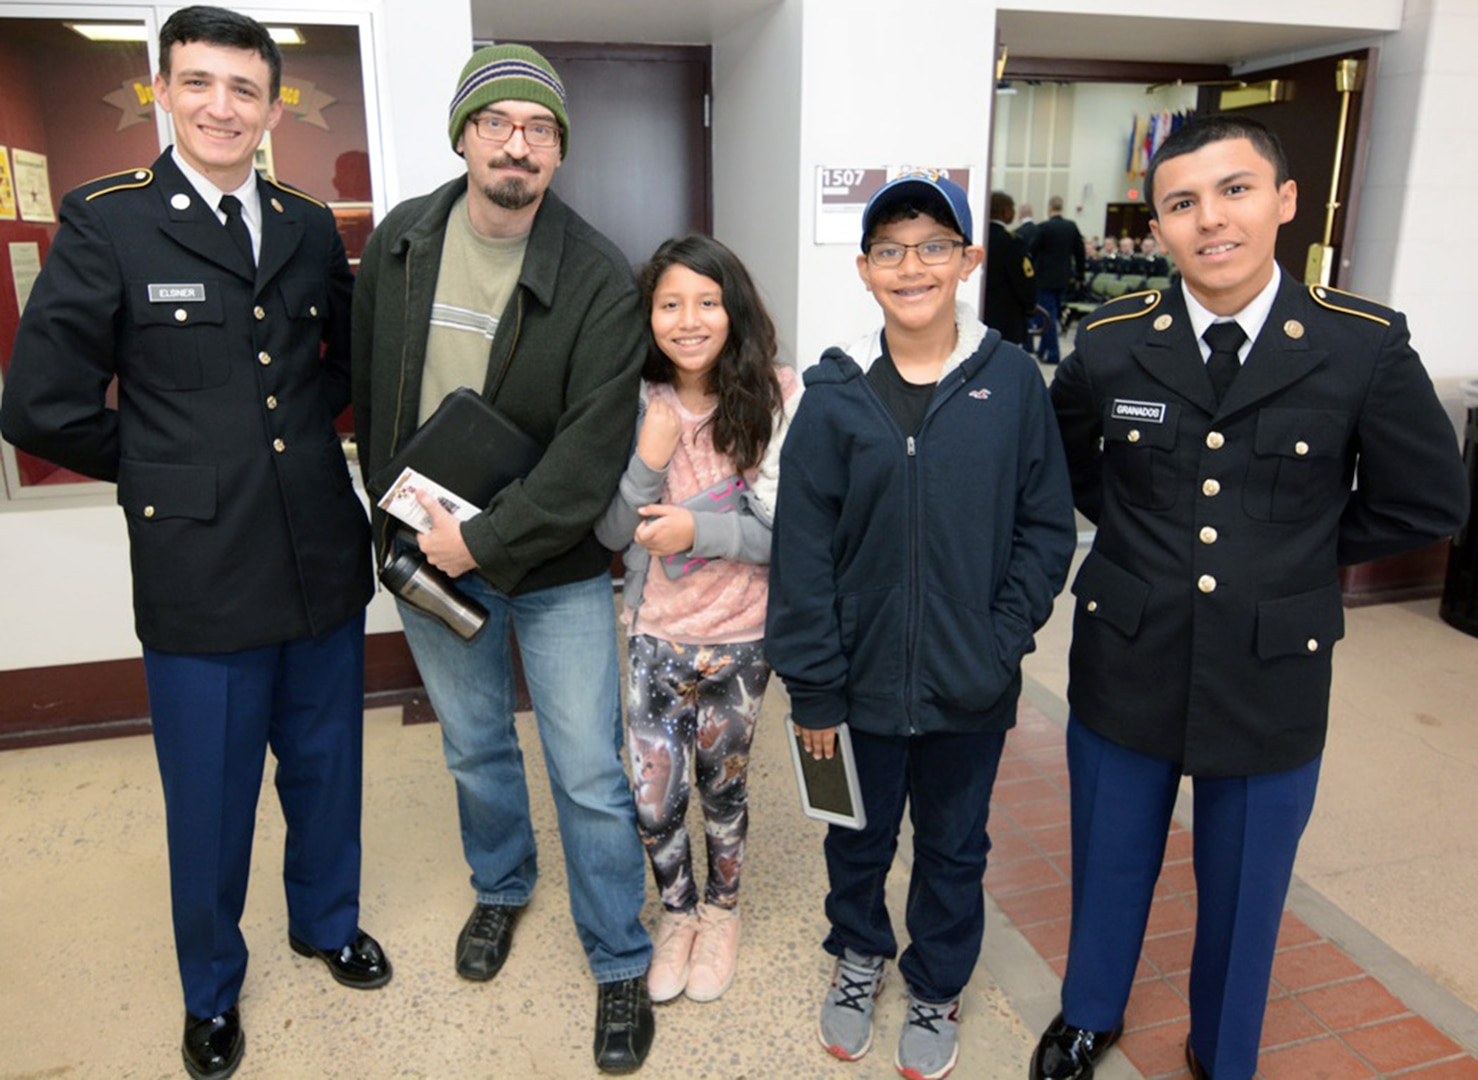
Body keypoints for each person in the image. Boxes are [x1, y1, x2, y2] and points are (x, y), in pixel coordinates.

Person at [1030, 114, 1469, 1080]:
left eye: (1234, 192)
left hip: (1272, 667)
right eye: (1182, 203)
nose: (1210, 221)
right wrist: (1150, 543)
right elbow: (1063, 466)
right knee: (1108, 856)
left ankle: (1222, 1046)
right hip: (1127, 652)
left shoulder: (1362, 346)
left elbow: (1430, 499)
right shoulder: (1109, 343)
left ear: (1284, 203)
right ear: (1158, 227)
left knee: (1246, 883)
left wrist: (1300, 554)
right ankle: (1088, 1014)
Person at [0, 8, 389, 1079]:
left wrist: (301, 446)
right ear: (164, 93)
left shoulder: (309, 223)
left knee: (325, 772)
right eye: (200, 83)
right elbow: (38, 404)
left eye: (244, 89)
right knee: (210, 800)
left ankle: (325, 922)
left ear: (270, 108)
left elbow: (341, 363)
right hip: (199, 574)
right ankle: (211, 988)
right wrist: (167, 467)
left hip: (317, 553)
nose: (223, 106)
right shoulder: (108, 220)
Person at [349, 44, 655, 1073]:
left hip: (553, 567)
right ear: (464, 134)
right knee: (475, 746)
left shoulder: (600, 275)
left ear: (558, 151)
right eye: (496, 123)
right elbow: (370, 390)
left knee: (587, 772)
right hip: (427, 554)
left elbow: (587, 456)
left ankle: (618, 957)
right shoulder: (400, 244)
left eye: (537, 129)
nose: (515, 144)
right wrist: (400, 519)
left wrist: (477, 540)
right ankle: (502, 889)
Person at [766, 173, 1077, 1080]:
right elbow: (803, 553)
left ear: (969, 260)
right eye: (893, 251)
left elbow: (1045, 526)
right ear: (865, 270)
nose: (914, 267)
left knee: (954, 847)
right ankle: (859, 955)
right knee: (854, 838)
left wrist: (997, 643)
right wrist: (814, 687)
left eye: (935, 247)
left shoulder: (1012, 382)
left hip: (967, 686)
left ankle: (937, 981)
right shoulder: (832, 395)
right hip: (850, 692)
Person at [595, 234, 801, 1007]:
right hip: (655, 634)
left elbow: (787, 534)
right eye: (670, 304)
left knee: (723, 791)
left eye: (707, 302)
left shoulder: (778, 396)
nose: (689, 320)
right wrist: (649, 457)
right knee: (653, 797)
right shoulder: (637, 401)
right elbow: (614, 533)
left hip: (742, 640)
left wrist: (694, 530)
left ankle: (722, 912)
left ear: (733, 310)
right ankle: (676, 914)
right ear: (648, 316)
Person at [1026, 195, 1085, 364]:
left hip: (1045, 278)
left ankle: (1053, 352)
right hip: (1064, 278)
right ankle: (1044, 349)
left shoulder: (1044, 227)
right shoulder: (1071, 227)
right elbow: (1079, 252)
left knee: (1047, 316)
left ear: (1049, 208)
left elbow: (1032, 251)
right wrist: (1080, 275)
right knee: (1054, 314)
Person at [982, 190, 1037, 346]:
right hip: (1005, 318)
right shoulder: (1012, 243)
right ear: (1005, 211)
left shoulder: (977, 238)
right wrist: (1029, 307)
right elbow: (1024, 280)